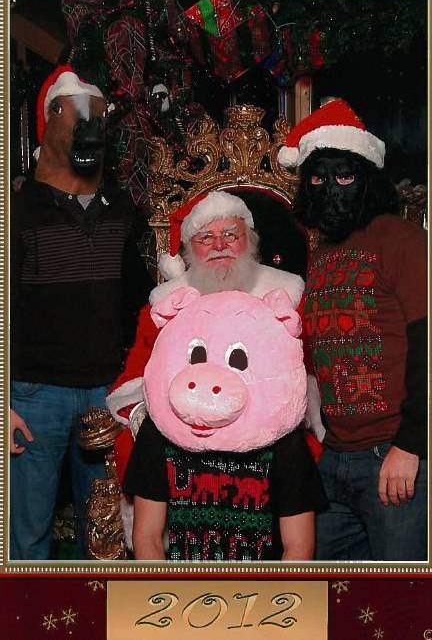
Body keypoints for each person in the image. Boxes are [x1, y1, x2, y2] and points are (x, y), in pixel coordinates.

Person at [108, 190, 327, 561]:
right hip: (183, 431)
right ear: (190, 249)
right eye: (206, 237)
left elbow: (306, 366)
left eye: (231, 234)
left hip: (267, 439)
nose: (219, 245)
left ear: (250, 240)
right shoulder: (168, 302)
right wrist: (158, 418)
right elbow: (138, 373)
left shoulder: (285, 293)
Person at [10, 64, 153, 560]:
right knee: (26, 535)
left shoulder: (122, 210)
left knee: (107, 533)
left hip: (104, 391)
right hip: (32, 395)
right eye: (78, 114)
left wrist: (135, 385)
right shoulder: (18, 210)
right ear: (51, 118)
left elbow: (142, 304)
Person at [278, 98, 427, 560]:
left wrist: (411, 444)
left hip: (395, 456)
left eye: (344, 177)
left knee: (398, 609)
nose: (331, 190)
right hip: (336, 457)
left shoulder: (402, 240)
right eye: (318, 179)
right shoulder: (320, 254)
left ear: (368, 180)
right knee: (323, 598)